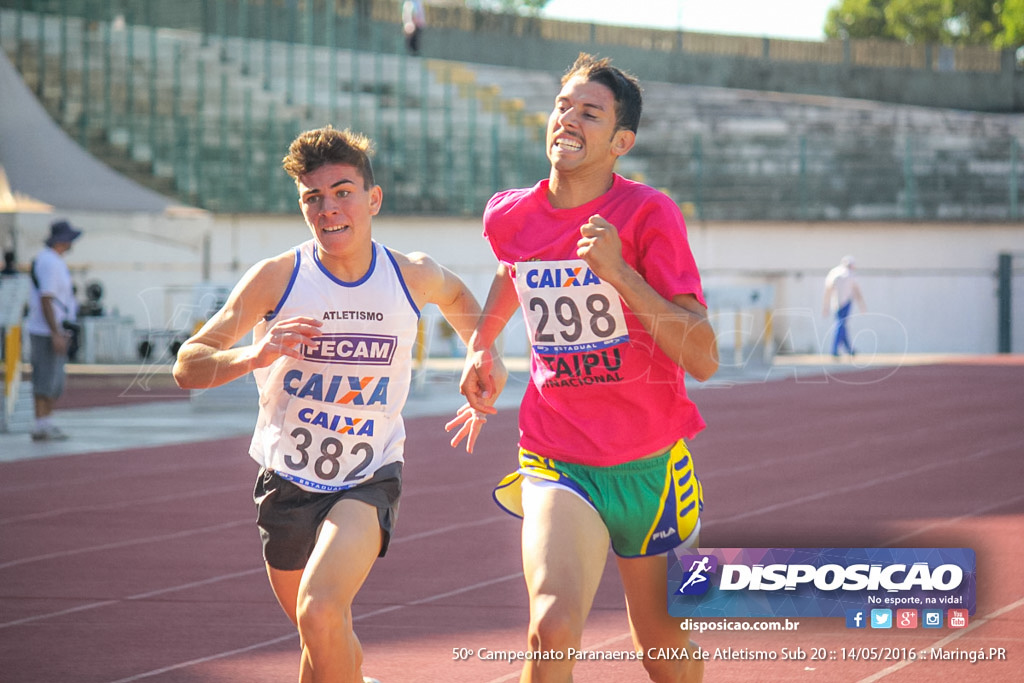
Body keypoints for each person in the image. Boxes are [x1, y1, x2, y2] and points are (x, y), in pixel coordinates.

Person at [173, 126, 488, 683]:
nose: (328, 209)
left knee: (319, 611)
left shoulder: (409, 273)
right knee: (321, 635)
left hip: (368, 476)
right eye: (312, 198)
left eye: (342, 191)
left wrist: (481, 354)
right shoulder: (278, 277)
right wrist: (254, 354)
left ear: (374, 198)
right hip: (286, 484)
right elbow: (188, 365)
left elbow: (461, 298)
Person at [450, 53, 719, 682]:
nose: (567, 119)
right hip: (557, 455)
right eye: (562, 105)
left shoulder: (650, 215)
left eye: (589, 113)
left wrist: (620, 274)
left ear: (620, 142)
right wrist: (482, 343)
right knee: (551, 626)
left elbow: (703, 355)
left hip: (652, 468)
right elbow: (511, 268)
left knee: (661, 648)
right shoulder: (510, 214)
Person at [27, 219, 82, 442]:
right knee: (46, 377)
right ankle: (41, 423)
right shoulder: (49, 262)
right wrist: (55, 332)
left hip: (52, 328)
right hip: (46, 330)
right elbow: (47, 299)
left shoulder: (53, 261)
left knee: (53, 379)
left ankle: (46, 421)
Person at [822, 255, 866, 358]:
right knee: (841, 324)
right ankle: (834, 349)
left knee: (842, 324)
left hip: (836, 303)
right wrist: (862, 305)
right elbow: (856, 291)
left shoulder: (834, 272)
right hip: (845, 303)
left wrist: (826, 306)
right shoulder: (849, 274)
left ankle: (849, 349)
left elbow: (828, 290)